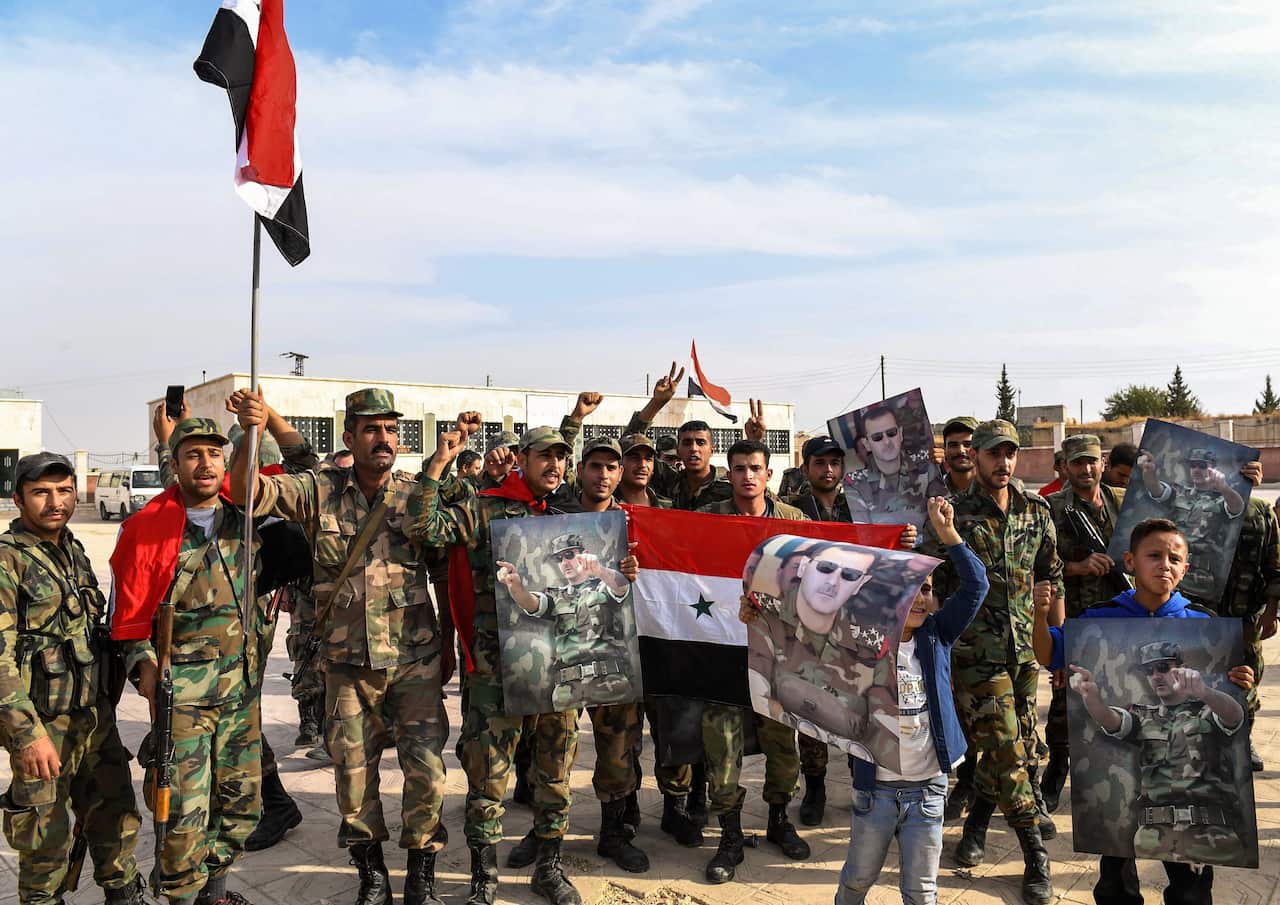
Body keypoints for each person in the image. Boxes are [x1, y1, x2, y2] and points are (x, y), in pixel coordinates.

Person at [230, 388, 456, 905]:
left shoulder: (415, 492)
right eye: (372, 429)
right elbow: (246, 494)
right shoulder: (318, 489)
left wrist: (451, 643)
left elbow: (444, 568)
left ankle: (421, 870)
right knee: (353, 776)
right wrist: (251, 433)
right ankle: (370, 872)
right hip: (347, 664)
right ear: (349, 437)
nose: (384, 438)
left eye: (392, 429)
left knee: (427, 772)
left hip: (414, 659)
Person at [407, 423, 586, 905]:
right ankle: (482, 877)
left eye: (561, 457)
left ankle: (549, 867)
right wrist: (439, 464)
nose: (554, 465)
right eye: (544, 456)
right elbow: (423, 525)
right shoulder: (483, 508)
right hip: (496, 669)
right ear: (521, 459)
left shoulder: (572, 514)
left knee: (555, 770)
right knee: (488, 774)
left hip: (558, 665)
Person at [1033, 518, 1254, 905]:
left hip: (1195, 808)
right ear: (1130, 562)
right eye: (1154, 556)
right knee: (1115, 887)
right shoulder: (1100, 621)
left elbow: (1232, 713)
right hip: (1125, 803)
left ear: (1186, 568)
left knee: (1191, 894)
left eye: (1174, 558)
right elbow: (1048, 654)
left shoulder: (1204, 627)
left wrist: (1241, 678)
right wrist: (1040, 613)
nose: (1164, 564)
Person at [111, 418, 270, 905]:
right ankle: (183, 895)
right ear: (174, 464)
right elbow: (128, 618)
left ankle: (214, 891)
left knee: (243, 806)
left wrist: (255, 428)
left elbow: (296, 467)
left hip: (240, 695)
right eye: (193, 454)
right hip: (183, 700)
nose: (205, 464)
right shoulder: (146, 529)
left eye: (214, 454)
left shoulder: (243, 518)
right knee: (182, 815)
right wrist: (145, 671)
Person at [154, 398, 316, 851]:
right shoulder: (219, 492)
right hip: (222, 617)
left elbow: (284, 548)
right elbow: (189, 480)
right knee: (228, 711)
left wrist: (265, 423)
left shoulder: (264, 495)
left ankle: (273, 802)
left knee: (239, 708)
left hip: (246, 617)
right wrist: (174, 432)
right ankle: (256, 800)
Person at [921, 419, 1062, 905]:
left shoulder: (1036, 511)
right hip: (974, 658)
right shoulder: (950, 516)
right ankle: (1035, 855)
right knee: (1006, 748)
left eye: (1010, 454)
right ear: (975, 458)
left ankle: (977, 825)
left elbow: (1051, 577)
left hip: (1024, 654)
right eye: (993, 454)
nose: (1003, 463)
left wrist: (1056, 645)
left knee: (1012, 748)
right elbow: (929, 583)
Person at [499, 435, 650, 873]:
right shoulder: (549, 516)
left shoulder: (632, 523)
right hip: (563, 671)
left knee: (618, 752)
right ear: (580, 470)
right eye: (595, 466)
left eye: (611, 467)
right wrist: (512, 583)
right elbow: (534, 601)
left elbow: (626, 588)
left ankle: (614, 832)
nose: (603, 475)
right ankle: (546, 833)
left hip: (615, 665)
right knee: (552, 753)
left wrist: (619, 570)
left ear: (620, 474)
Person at [1, 453, 145, 905]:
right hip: (43, 726)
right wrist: (27, 737)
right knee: (46, 838)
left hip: (94, 718)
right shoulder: (8, 560)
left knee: (116, 818)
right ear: (19, 498)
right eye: (41, 492)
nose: (55, 502)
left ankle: (123, 895)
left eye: (64, 491)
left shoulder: (72, 549)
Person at [830, 497, 989, 905]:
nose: (919, 599)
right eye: (909, 589)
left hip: (929, 790)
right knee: (856, 882)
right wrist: (754, 614)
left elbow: (976, 585)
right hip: (875, 791)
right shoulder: (862, 640)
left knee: (921, 892)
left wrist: (948, 533)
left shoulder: (937, 635)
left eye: (928, 590)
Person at [697, 438, 810, 883]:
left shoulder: (794, 522)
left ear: (768, 474)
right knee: (720, 747)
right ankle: (728, 833)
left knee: (784, 744)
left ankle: (779, 818)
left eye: (755, 468)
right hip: (722, 650)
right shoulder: (708, 520)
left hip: (780, 654)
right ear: (729, 474)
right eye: (739, 468)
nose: (747, 475)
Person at [1041, 434, 1129, 812]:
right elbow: (1039, 567)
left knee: (1118, 698)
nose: (1086, 469)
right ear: (1065, 466)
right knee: (1065, 704)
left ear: (1103, 462)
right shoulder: (1051, 508)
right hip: (1074, 619)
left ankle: (1108, 777)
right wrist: (1076, 567)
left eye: (1091, 461)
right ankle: (1056, 771)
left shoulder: (1122, 502)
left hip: (1120, 619)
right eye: (1077, 463)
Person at [1182, 459, 1275, 773]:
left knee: (1246, 680)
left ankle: (1242, 742)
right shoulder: (1192, 510)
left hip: (1245, 617)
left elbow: (1276, 566)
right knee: (1199, 678)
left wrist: (1271, 614)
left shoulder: (1262, 513)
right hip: (1199, 616)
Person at [1138, 446, 1244, 600]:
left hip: (1200, 576)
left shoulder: (1221, 499)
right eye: (1193, 465)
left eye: (1202, 465)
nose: (1196, 470)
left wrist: (1223, 488)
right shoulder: (1179, 493)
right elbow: (1156, 490)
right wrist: (1149, 472)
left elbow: (1237, 507)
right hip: (1170, 572)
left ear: (1213, 468)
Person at [845, 404, 947, 527]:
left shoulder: (927, 469)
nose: (887, 442)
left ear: (900, 433)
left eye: (891, 433)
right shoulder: (855, 484)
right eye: (877, 437)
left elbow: (946, 519)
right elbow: (863, 532)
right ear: (866, 444)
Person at [941, 417, 978, 496]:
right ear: (944, 449)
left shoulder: (994, 489)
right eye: (953, 445)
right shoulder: (934, 490)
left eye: (968, 444)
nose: (961, 450)